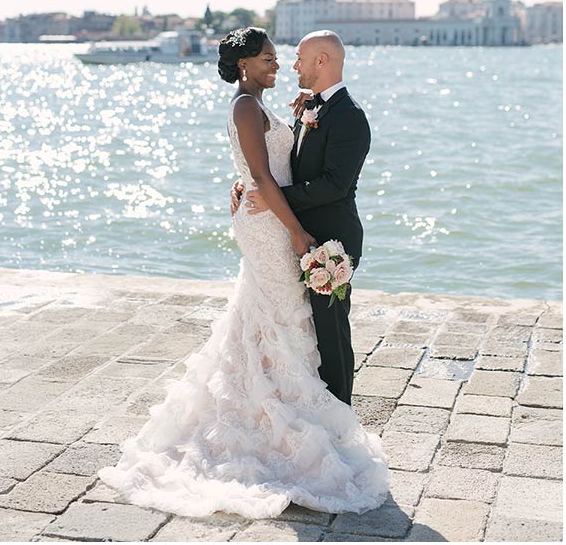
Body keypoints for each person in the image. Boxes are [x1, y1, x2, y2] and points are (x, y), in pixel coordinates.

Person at [98, 26, 389, 519]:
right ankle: (277, 417)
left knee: (286, 319)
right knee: (276, 315)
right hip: (275, 227)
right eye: (271, 59)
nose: (280, 65)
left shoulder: (289, 108)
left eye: (285, 58)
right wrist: (293, 229)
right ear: (244, 65)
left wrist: (265, 194)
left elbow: (280, 172)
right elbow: (259, 174)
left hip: (280, 220)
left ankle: (306, 412)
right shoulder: (245, 106)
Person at [232, 29, 370, 406]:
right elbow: (279, 164)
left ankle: (340, 411)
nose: (291, 65)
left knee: (331, 332)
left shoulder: (350, 116)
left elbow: (333, 186)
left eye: (299, 58)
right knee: (305, 327)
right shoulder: (312, 107)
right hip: (294, 233)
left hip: (331, 238)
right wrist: (247, 183)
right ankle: (305, 404)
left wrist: (272, 198)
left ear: (321, 61)